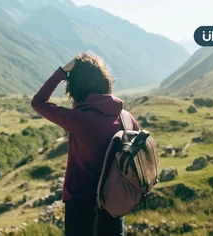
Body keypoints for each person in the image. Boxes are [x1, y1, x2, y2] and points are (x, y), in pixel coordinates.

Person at [31, 52, 139, 236]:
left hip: (81, 203)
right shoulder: (127, 118)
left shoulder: (81, 119)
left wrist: (62, 71)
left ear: (76, 88)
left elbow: (39, 102)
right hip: (116, 201)